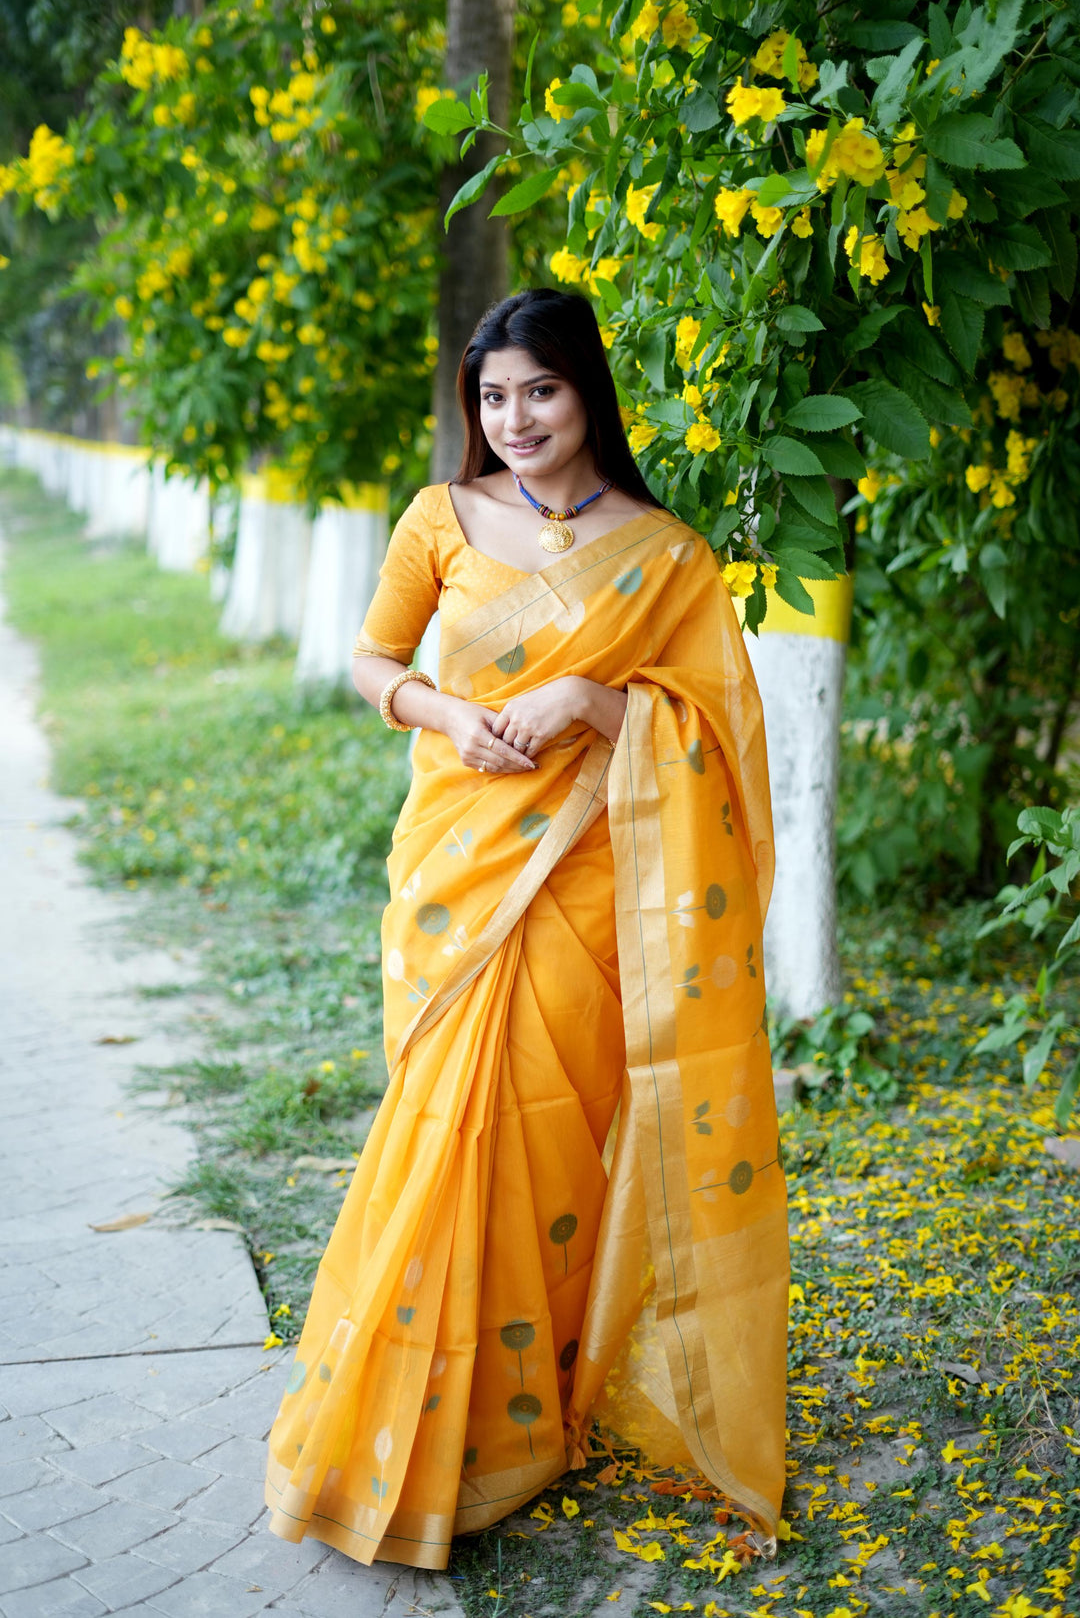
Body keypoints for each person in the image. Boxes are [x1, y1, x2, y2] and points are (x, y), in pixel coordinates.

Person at [265, 288, 788, 1571]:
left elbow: (714, 738)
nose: (515, 422)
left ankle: (522, 1411)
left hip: (592, 877)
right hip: (456, 861)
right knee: (446, 1127)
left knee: (551, 1140)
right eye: (493, 398)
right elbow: (375, 663)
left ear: (587, 394)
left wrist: (586, 699)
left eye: (539, 392)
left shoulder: (665, 556)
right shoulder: (441, 520)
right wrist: (447, 717)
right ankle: (404, 1416)